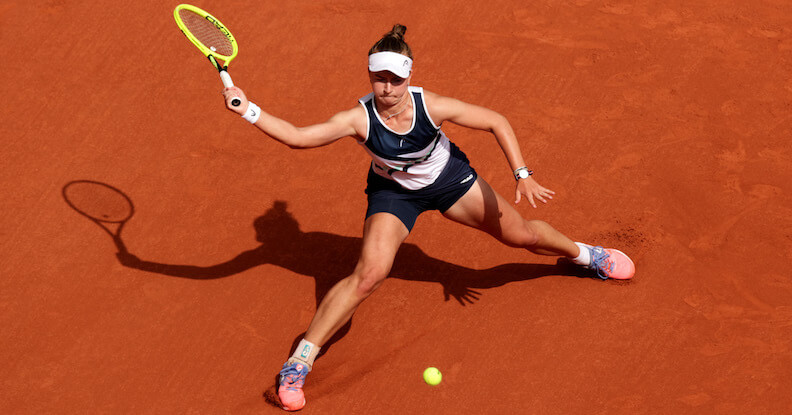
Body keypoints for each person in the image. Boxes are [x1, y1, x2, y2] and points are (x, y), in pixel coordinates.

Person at [221, 24, 635, 411]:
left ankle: (584, 255)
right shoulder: (357, 119)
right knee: (369, 274)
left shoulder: (431, 105)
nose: (387, 88)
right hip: (394, 194)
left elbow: (495, 120)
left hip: (450, 180)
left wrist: (522, 174)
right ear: (369, 76)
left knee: (522, 235)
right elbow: (298, 138)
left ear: (408, 76)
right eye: (378, 78)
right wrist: (248, 110)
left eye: (395, 79)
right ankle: (299, 362)